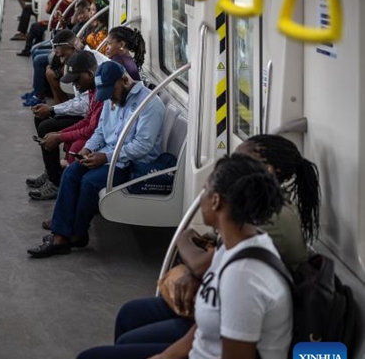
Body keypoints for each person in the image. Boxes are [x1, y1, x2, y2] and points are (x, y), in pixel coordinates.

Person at [71, 154, 291, 359]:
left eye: (206, 189)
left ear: (217, 201)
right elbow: (206, 320)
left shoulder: (245, 276)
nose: (202, 194)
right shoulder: (235, 244)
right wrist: (170, 355)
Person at [114, 134, 320, 346]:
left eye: (241, 162)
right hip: (221, 299)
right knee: (130, 314)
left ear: (269, 171)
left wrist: (183, 241)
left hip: (237, 321)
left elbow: (202, 265)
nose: (233, 167)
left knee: (126, 334)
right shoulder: (261, 205)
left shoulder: (272, 218)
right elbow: (215, 247)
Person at [28, 61, 165, 257]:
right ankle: (60, 234)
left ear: (125, 81)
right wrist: (87, 148)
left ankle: (76, 235)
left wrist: (106, 156)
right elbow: (100, 131)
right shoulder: (111, 99)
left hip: (132, 163)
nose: (110, 99)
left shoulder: (150, 104)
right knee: (71, 172)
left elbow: (142, 146)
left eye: (111, 92)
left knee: (90, 182)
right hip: (109, 155)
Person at [27, 51, 103, 201]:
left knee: (48, 128)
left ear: (89, 74)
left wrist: (60, 134)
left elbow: (88, 121)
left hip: (93, 127)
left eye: (76, 80)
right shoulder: (92, 88)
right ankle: (51, 172)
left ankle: (55, 182)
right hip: (88, 121)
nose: (74, 84)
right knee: (43, 122)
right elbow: (88, 119)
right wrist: (60, 133)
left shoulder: (101, 93)